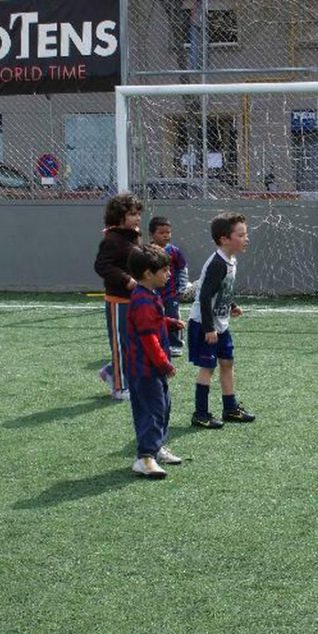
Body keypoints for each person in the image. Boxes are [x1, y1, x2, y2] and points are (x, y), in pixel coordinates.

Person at [187, 211, 255, 429]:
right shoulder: (218, 263)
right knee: (208, 367)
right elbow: (205, 296)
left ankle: (230, 408)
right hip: (204, 324)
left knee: (227, 362)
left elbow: (222, 289)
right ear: (225, 239)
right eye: (241, 235)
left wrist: (231, 305)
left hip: (220, 324)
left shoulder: (231, 260)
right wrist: (208, 328)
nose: (247, 238)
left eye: (246, 234)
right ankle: (200, 413)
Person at [125, 245, 185, 479]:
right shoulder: (142, 300)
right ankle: (145, 457)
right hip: (145, 369)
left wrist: (169, 322)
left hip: (151, 369)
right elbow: (148, 338)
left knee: (163, 406)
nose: (169, 274)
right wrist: (163, 363)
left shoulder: (150, 295)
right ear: (149, 274)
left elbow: (154, 323)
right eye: (164, 270)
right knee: (151, 410)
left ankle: (156, 447)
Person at [93, 193, 143, 400]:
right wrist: (126, 280)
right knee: (121, 344)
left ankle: (111, 371)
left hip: (135, 298)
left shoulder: (133, 236)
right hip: (118, 300)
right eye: (132, 214)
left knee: (135, 343)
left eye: (138, 213)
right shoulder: (112, 240)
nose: (138, 218)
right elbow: (102, 266)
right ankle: (120, 387)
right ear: (119, 216)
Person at [148, 216, 191, 357]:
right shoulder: (146, 251)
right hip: (153, 293)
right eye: (162, 233)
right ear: (152, 234)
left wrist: (182, 286)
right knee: (153, 316)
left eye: (168, 232)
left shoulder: (174, 251)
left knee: (172, 316)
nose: (166, 235)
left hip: (171, 293)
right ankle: (155, 343)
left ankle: (175, 343)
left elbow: (182, 268)